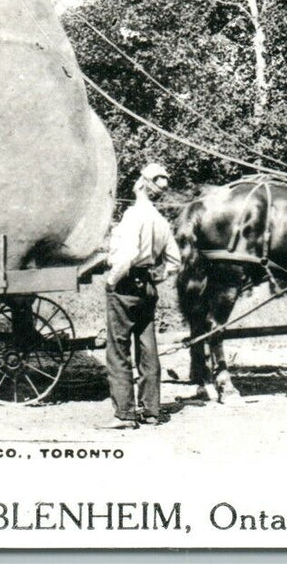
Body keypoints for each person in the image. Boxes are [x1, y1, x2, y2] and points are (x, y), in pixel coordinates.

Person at [102, 162, 180, 429]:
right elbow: (174, 261)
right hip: (148, 285)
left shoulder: (133, 215)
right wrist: (157, 277)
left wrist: (112, 281)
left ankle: (124, 414)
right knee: (148, 348)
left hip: (125, 284)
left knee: (118, 349)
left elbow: (127, 255)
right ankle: (151, 412)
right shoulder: (160, 221)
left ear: (140, 184)